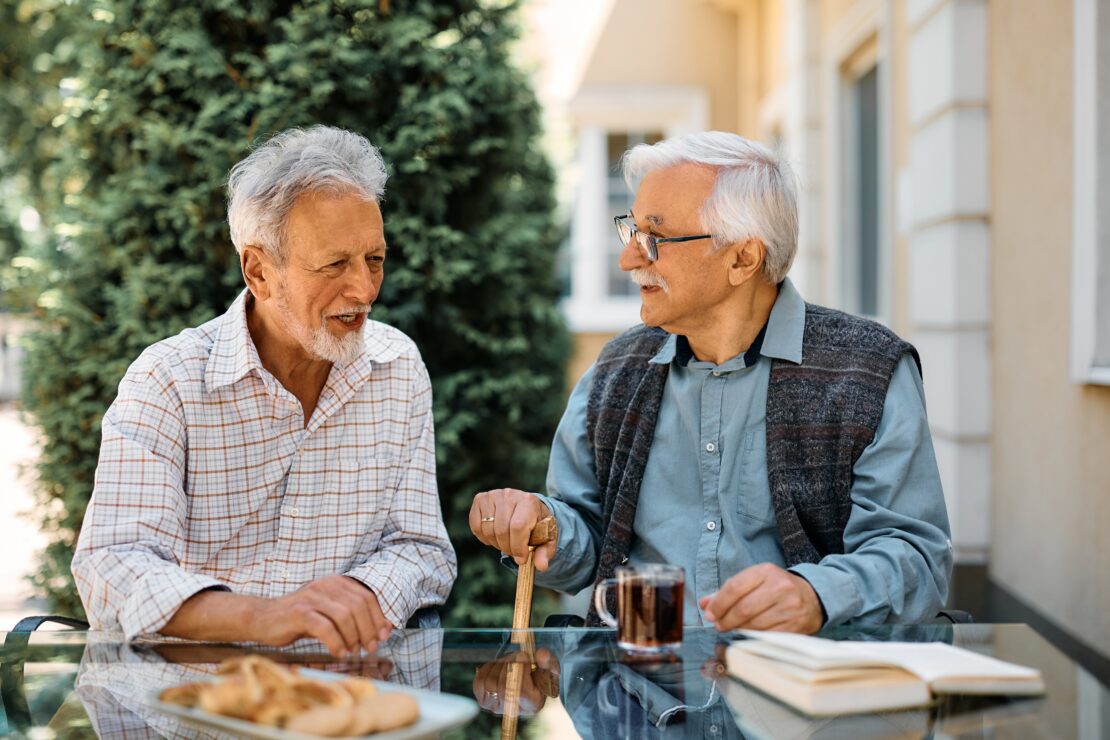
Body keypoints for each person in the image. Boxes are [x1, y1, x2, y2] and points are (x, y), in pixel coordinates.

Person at [470, 131, 951, 634]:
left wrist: (817, 596)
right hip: (637, 696)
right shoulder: (614, 372)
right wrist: (541, 523)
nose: (630, 259)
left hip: (804, 695)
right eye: (630, 231)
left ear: (743, 258)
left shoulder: (868, 369)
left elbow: (916, 557)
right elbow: (592, 543)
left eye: (654, 236)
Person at [73, 126, 456, 657]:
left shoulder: (398, 368)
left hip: (345, 703)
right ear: (259, 271)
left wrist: (349, 605)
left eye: (375, 259)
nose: (365, 290)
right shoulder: (168, 380)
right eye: (334, 264)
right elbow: (112, 565)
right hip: (196, 711)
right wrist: (265, 616)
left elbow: (420, 550)